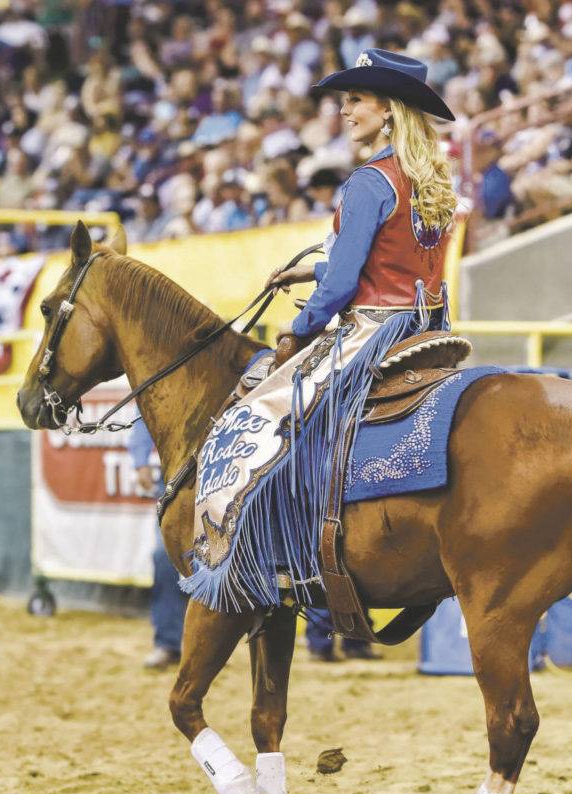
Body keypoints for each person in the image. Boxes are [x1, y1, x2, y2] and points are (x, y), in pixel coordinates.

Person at [183, 48, 457, 617]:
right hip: (429, 326)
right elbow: (391, 256)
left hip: (371, 331)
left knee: (259, 418)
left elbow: (341, 290)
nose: (346, 110)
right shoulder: (428, 179)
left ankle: (271, 556)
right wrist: (314, 267)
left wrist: (296, 328)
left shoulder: (366, 182)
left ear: (390, 109)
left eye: (356, 99)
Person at [128, 415, 188, 669]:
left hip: (222, 471)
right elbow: (147, 408)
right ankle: (168, 643)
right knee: (165, 558)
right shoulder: (169, 373)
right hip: (175, 473)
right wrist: (141, 460)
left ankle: (208, 646)